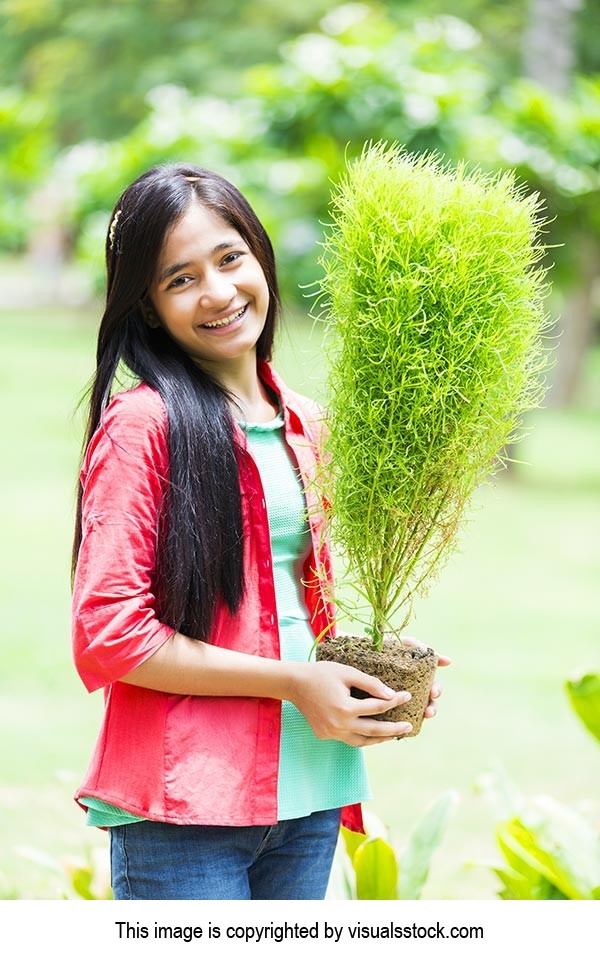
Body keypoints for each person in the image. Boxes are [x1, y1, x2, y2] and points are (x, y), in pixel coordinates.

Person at [71, 162, 448, 901]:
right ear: (146, 308)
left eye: (229, 258)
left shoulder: (310, 423)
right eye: (179, 279)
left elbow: (297, 603)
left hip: (310, 790)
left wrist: (382, 662)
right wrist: (295, 683)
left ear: (260, 258)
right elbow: (109, 633)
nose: (216, 292)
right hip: (188, 804)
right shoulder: (144, 426)